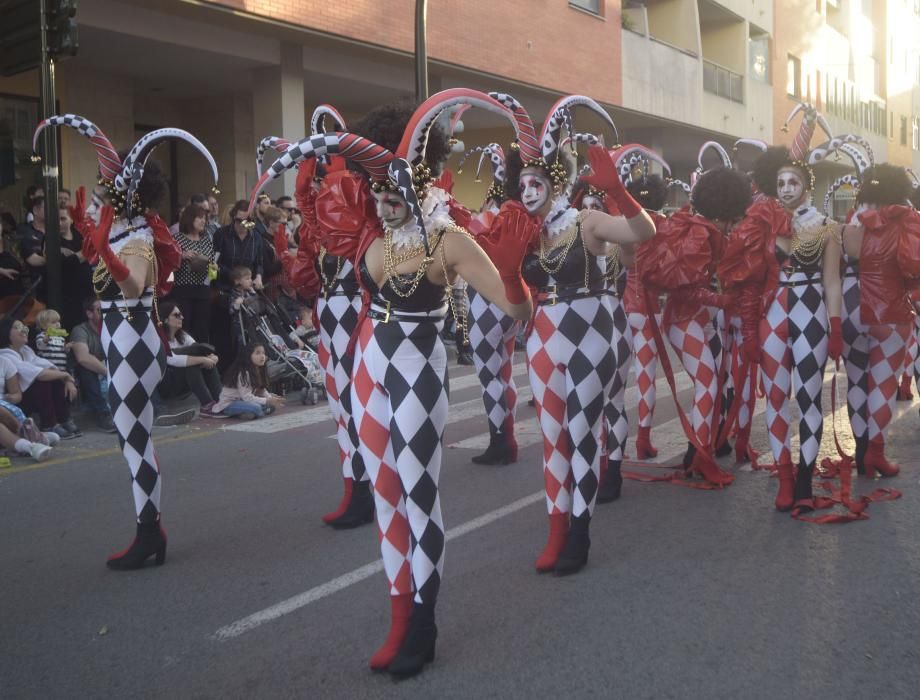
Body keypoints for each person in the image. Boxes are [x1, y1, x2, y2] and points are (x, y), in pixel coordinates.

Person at [251, 89, 535, 678]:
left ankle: (423, 624)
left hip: (416, 374)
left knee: (418, 497)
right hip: (368, 370)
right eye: (371, 181)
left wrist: (511, 270)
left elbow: (513, 311)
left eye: (390, 181)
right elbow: (319, 223)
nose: (380, 194)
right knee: (384, 500)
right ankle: (399, 616)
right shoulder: (371, 234)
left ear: (420, 173)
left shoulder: (446, 238)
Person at [34, 112, 218, 569]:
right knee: (132, 439)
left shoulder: (133, 237)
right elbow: (108, 267)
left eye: (101, 189)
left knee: (134, 440)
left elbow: (133, 285)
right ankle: (149, 530)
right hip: (128, 339)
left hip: (133, 339)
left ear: (122, 198)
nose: (95, 195)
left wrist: (103, 243)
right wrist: (89, 233)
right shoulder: (124, 231)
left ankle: (149, 533)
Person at [489, 92, 654, 576]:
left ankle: (579, 534)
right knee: (552, 438)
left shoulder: (587, 222)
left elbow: (642, 234)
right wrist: (506, 270)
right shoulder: (526, 232)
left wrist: (619, 193)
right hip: (542, 336)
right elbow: (518, 307)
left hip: (594, 333)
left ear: (555, 181)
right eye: (523, 183)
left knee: (583, 435)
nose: (529, 191)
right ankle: (556, 530)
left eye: (536, 181)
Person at [721, 105, 842, 510]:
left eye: (793, 181)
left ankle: (805, 480)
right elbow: (747, 276)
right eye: (781, 182)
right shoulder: (760, 221)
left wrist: (837, 325)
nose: (787, 187)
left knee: (807, 398)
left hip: (812, 314)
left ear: (806, 185)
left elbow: (831, 281)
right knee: (775, 398)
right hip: (774, 317)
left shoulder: (825, 226)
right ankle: (785, 479)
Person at [839, 164, 920, 477]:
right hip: (888, 310)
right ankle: (875, 453)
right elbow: (913, 266)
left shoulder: (850, 220)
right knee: (883, 385)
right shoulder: (906, 221)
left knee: (857, 381)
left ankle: (861, 455)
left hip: (849, 307)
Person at [0, 318, 80, 439]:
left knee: (54, 377)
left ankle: (63, 419)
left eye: (24, 327)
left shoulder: (26, 351)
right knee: (42, 381)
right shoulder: (5, 356)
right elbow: (37, 373)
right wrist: (66, 375)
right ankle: (49, 424)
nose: (24, 330)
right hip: (15, 403)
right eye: (17, 327)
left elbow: (47, 365)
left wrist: (67, 379)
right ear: (6, 332)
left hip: (29, 398)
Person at [158, 301, 222, 413]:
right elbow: (172, 360)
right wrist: (203, 359)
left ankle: (221, 400)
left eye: (181, 314)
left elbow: (198, 348)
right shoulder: (159, 339)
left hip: (182, 382)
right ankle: (207, 405)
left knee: (205, 362)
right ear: (165, 319)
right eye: (176, 315)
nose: (182, 317)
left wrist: (212, 357)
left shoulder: (182, 335)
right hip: (167, 385)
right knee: (192, 364)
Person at [171, 202, 216, 344]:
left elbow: (212, 275)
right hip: (183, 290)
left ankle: (202, 359)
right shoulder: (177, 239)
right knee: (185, 328)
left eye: (205, 218)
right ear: (189, 219)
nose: (203, 221)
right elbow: (168, 265)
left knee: (202, 330)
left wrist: (214, 268)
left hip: (203, 291)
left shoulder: (207, 241)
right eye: (199, 218)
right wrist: (182, 256)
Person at [69, 297, 116, 432]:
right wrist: (109, 373)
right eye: (100, 310)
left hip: (103, 370)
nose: (104, 313)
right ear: (89, 314)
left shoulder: (111, 329)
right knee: (86, 369)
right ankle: (103, 414)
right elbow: (83, 358)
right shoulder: (80, 330)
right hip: (85, 373)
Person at [0, 354, 56, 461]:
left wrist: (11, 397)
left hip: (4, 407)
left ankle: (29, 445)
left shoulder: (4, 362)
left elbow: (17, 395)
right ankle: (31, 439)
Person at [211, 341, 283, 418]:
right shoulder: (244, 373)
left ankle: (248, 413)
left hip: (244, 401)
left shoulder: (259, 370)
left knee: (271, 406)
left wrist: (271, 399)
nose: (262, 356)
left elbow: (261, 389)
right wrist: (267, 400)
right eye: (258, 353)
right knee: (256, 407)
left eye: (263, 353)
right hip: (229, 404)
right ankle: (251, 412)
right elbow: (247, 397)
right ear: (248, 356)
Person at [212, 200, 265, 290]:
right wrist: (235, 277)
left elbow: (259, 263)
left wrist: (258, 277)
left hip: (246, 290)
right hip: (224, 288)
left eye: (247, 221)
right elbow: (214, 262)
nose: (242, 224)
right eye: (239, 220)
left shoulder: (256, 237)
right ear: (233, 217)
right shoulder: (221, 234)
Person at [17, 196, 47, 301]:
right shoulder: (25, 232)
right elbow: (33, 260)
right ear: (35, 210)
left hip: (56, 283)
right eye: (46, 207)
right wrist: (59, 258)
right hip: (35, 286)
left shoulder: (56, 230)